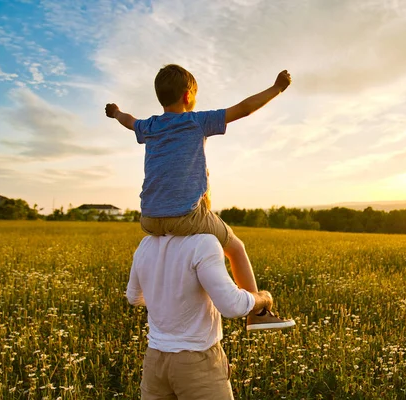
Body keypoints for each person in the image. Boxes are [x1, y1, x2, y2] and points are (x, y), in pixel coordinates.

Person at [106, 65, 294, 330]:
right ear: (187, 96)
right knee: (236, 248)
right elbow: (244, 108)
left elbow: (128, 120)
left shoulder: (149, 126)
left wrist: (114, 113)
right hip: (185, 216)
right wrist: (276, 88)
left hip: (148, 219)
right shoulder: (195, 121)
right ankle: (257, 315)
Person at [126, 234, 276, 399]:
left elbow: (133, 297)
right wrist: (263, 298)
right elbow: (232, 306)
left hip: (154, 359)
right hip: (198, 360)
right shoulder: (203, 242)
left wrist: (165, 297)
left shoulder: (147, 243)